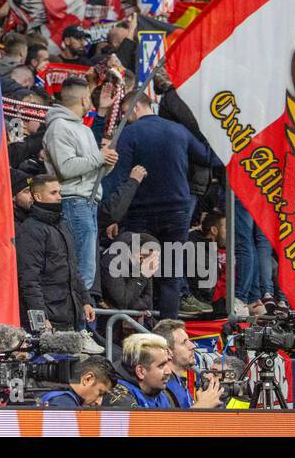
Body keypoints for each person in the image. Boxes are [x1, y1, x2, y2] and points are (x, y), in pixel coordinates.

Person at [107, 89, 216, 319]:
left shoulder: (130, 133)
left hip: (140, 213)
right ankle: (169, 327)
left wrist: (114, 215)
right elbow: (206, 157)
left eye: (125, 113)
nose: (123, 119)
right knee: (171, 272)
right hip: (177, 210)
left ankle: (136, 328)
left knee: (135, 269)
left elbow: (119, 177)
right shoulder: (179, 130)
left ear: (136, 108)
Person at [43, 78, 118, 302]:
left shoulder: (82, 129)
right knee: (81, 268)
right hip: (73, 202)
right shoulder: (59, 127)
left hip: (87, 202)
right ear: (84, 98)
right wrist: (98, 157)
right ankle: (76, 323)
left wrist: (107, 163)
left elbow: (91, 170)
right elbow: (66, 169)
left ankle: (80, 320)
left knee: (87, 267)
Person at [15, 176, 96, 337]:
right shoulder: (30, 230)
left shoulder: (63, 225)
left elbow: (74, 270)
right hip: (49, 317)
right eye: (53, 193)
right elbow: (29, 279)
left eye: (60, 192)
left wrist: (85, 301)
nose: (59, 196)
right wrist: (40, 318)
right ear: (38, 196)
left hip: (70, 314)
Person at [153, 318, 222, 409]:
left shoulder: (179, 383)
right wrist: (201, 406)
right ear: (168, 351)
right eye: (184, 342)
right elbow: (164, 423)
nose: (193, 346)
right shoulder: (158, 387)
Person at [104, 333, 180, 408]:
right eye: (161, 366)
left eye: (167, 363)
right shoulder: (118, 398)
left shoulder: (162, 393)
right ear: (140, 371)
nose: (169, 371)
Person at [39, 355, 117, 408]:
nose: (99, 403)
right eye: (100, 393)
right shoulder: (65, 405)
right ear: (88, 379)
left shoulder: (50, 389)